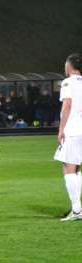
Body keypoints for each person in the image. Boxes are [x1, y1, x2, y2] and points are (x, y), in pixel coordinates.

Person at [54, 53, 82, 221]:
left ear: (69, 66)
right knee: (77, 167)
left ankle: (77, 210)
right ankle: (77, 206)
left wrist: (61, 128)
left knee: (68, 167)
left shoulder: (67, 82)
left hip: (73, 130)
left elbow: (67, 104)